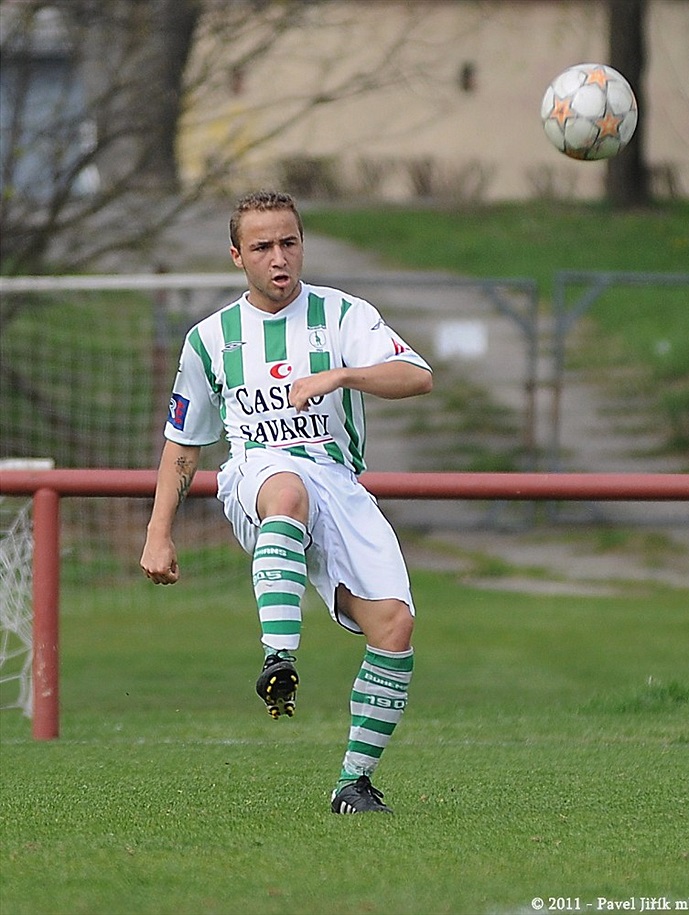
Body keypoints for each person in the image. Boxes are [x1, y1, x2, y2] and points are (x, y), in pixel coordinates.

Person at [140, 190, 432, 814]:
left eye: (289, 243)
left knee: (394, 626)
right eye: (263, 246)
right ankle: (279, 655)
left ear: (303, 245)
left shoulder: (345, 315)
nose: (279, 257)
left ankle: (354, 782)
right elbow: (182, 445)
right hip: (255, 472)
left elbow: (418, 377)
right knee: (285, 490)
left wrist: (342, 375)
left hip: (340, 485)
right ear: (237, 256)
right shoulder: (209, 339)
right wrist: (157, 532)